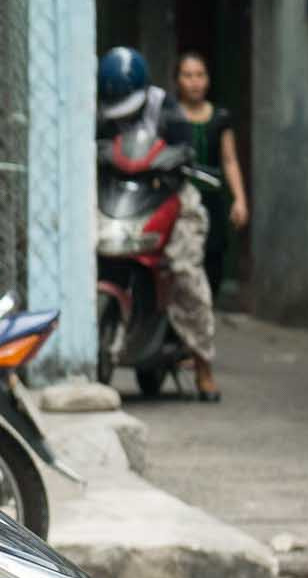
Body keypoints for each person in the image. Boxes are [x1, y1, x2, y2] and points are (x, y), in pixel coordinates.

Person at [97, 44, 219, 399]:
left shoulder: (166, 108)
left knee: (185, 270)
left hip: (169, 197)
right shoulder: (101, 111)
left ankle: (203, 364)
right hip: (122, 198)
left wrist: (176, 158)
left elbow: (185, 148)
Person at [173, 50, 249, 304]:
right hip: (178, 203)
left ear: (207, 80)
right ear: (178, 80)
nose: (194, 82)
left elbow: (230, 160)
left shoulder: (220, 118)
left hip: (212, 203)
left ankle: (205, 314)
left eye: (200, 75)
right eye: (187, 75)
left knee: (213, 261)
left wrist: (240, 199)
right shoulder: (170, 116)